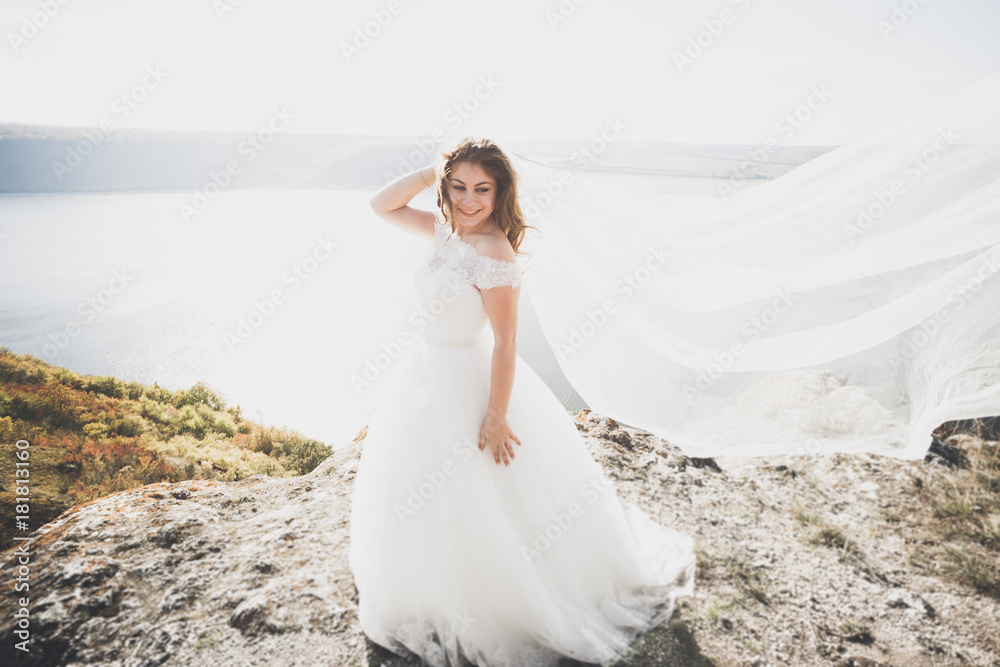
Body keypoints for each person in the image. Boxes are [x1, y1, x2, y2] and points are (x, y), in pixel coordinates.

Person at [348, 136, 697, 667]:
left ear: (500, 192)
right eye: (459, 187)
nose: (468, 200)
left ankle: (492, 597)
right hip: (422, 373)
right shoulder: (444, 230)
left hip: (466, 375)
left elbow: (508, 342)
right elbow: (381, 205)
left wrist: (494, 416)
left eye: (482, 190)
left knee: (482, 491)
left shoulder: (493, 253)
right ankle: (433, 587)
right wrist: (432, 170)